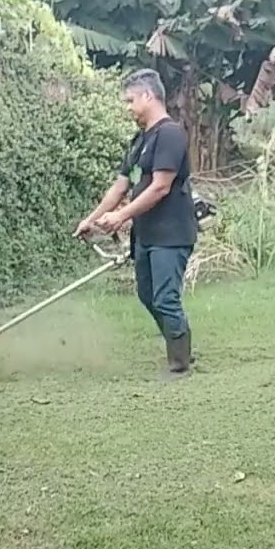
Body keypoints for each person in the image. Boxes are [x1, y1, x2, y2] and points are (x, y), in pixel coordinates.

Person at [74, 68, 197, 381]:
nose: (127, 107)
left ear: (148, 96)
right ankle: (179, 336)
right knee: (147, 294)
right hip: (146, 233)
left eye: (130, 100)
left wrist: (121, 216)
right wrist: (92, 219)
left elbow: (160, 187)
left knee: (165, 297)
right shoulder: (140, 140)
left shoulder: (170, 135)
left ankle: (180, 363)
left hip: (171, 233)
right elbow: (120, 186)